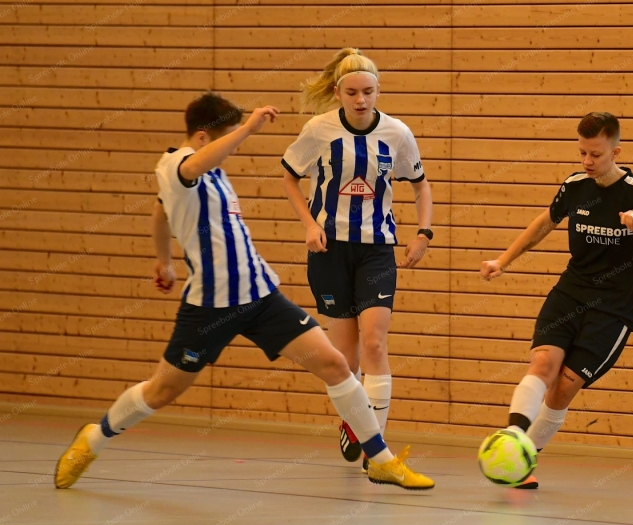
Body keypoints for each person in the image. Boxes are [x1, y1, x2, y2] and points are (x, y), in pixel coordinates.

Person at [54, 92, 434, 491]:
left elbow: (160, 211)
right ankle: (94, 438)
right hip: (211, 307)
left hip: (260, 296)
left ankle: (381, 461)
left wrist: (164, 260)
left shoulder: (213, 174)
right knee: (162, 390)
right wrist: (250, 128)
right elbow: (188, 172)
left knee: (335, 365)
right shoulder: (175, 165)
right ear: (204, 137)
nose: (232, 148)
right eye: (228, 138)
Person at [480, 112, 633, 489]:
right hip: (572, 291)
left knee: (563, 387)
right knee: (543, 364)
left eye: (596, 154)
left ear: (615, 151)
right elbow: (544, 223)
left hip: (615, 306)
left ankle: (524, 457)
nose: (587, 161)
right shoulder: (575, 186)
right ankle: (513, 438)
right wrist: (502, 261)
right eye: (582, 153)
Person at [281, 49, 433, 472]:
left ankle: (375, 449)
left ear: (378, 90)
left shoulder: (397, 133)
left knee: (375, 343)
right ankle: (354, 420)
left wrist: (423, 233)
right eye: (352, 93)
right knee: (345, 360)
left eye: (368, 91)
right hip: (330, 251)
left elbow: (421, 185)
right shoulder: (319, 130)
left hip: (376, 250)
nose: (361, 100)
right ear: (337, 93)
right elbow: (290, 177)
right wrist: (309, 225)